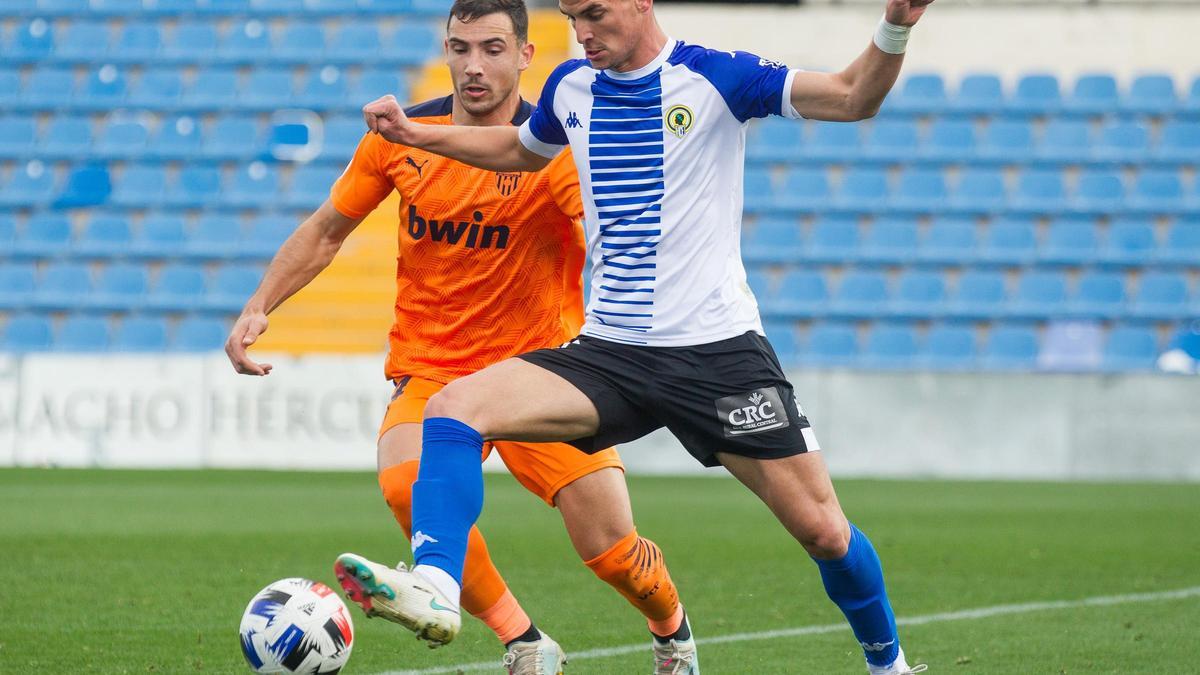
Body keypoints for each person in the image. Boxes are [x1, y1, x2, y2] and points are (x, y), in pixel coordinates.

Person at [358, 0, 935, 672]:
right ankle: (436, 586)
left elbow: (853, 95)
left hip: (718, 356)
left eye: (596, 14)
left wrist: (896, 23)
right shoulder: (571, 87)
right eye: (573, 17)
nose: (583, 32)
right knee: (452, 407)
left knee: (824, 529)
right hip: (612, 352)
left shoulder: (717, 77)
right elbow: (520, 148)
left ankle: (888, 663)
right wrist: (415, 134)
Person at [224, 1, 698, 672]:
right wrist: (259, 305)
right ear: (445, 51)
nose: (474, 65)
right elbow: (330, 227)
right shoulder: (403, 137)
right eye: (460, 47)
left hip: (543, 372)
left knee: (613, 550)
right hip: (435, 369)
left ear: (527, 55)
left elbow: (609, 240)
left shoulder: (559, 148)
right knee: (402, 483)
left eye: (494, 49)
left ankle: (672, 629)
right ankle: (524, 640)